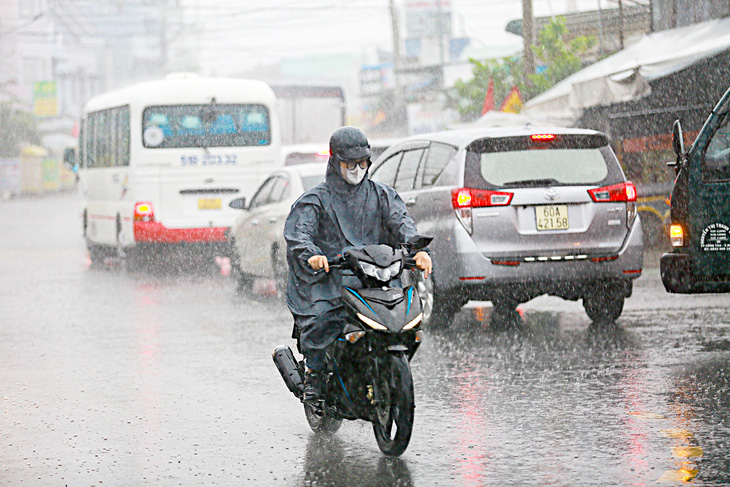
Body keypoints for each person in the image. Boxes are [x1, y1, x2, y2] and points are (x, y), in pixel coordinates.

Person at [283, 126, 432, 404]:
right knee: (321, 318)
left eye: (361, 163)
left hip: (377, 278)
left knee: (405, 318)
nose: (356, 169)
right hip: (330, 280)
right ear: (334, 161)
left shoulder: (382, 195)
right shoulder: (315, 199)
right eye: (349, 163)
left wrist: (418, 249)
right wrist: (313, 254)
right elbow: (299, 233)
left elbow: (403, 223)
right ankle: (314, 375)